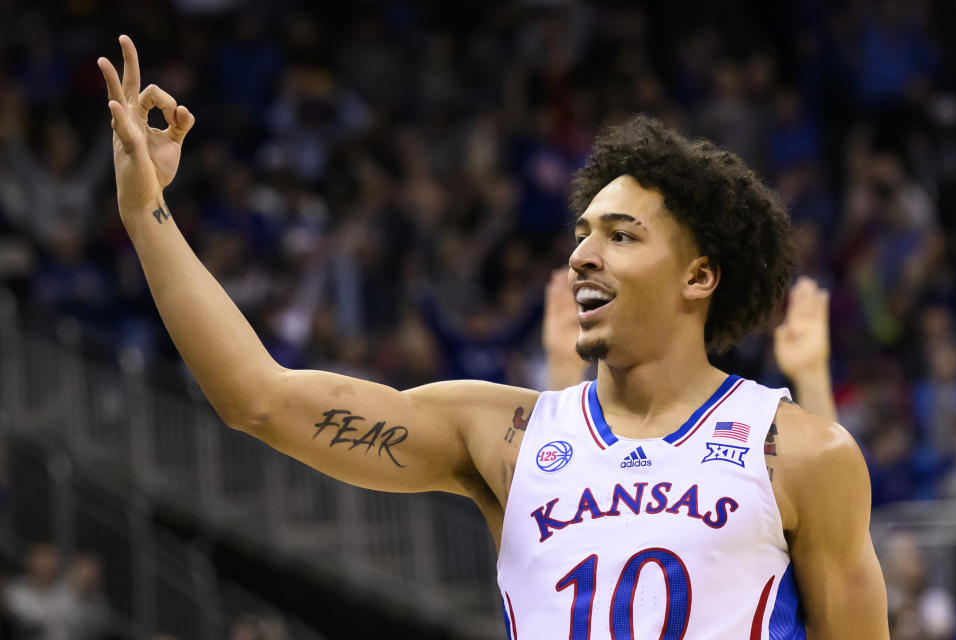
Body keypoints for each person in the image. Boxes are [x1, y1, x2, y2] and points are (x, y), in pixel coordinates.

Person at [98, 35, 887, 639]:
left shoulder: (802, 454)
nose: (581, 253)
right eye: (582, 233)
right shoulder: (503, 435)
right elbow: (259, 400)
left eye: (620, 236)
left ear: (699, 276)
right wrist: (148, 215)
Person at [545, 270, 839, 424]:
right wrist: (563, 370)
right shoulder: (606, 416)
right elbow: (554, 473)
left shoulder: (754, 419)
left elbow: (831, 500)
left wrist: (811, 377)